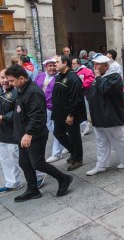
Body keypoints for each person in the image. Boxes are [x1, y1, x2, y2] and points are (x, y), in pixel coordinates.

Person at [5, 65, 73, 202]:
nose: (9, 83)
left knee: (38, 164)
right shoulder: (20, 89)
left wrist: (28, 133)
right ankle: (33, 190)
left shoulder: (33, 92)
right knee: (24, 163)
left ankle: (64, 178)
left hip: (34, 136)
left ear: (22, 78)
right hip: (23, 136)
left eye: (12, 80)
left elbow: (37, 116)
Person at [86, 55, 124, 176]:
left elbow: (104, 89)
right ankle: (101, 165)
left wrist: (97, 77)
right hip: (98, 117)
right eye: (94, 64)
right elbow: (91, 95)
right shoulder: (98, 78)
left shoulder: (115, 78)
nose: (94, 67)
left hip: (111, 116)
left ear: (106, 66)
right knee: (101, 142)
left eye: (97, 65)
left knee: (118, 139)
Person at [52, 55, 87, 171]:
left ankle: (78, 158)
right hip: (59, 113)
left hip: (69, 114)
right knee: (58, 133)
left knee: (74, 136)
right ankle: (73, 151)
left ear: (65, 63)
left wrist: (71, 114)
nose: (55, 64)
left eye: (57, 62)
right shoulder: (59, 76)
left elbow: (76, 98)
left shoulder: (73, 78)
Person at [34, 57, 67, 163]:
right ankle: (67, 143)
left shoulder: (60, 77)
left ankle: (57, 153)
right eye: (50, 65)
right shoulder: (40, 76)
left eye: (54, 65)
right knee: (52, 129)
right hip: (41, 107)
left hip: (54, 108)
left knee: (56, 130)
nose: (52, 68)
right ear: (46, 67)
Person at [0, 69, 23, 193]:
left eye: (6, 78)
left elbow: (16, 113)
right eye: (2, 78)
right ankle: (12, 182)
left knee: (18, 158)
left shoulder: (16, 92)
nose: (4, 81)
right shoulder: (1, 92)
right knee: (4, 159)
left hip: (13, 131)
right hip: (1, 132)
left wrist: (3, 117)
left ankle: (38, 176)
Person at [72, 57, 95, 137]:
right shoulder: (73, 72)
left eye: (74, 63)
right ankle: (84, 125)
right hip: (77, 95)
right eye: (72, 64)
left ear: (78, 64)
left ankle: (86, 125)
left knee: (85, 110)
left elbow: (91, 78)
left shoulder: (86, 70)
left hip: (85, 94)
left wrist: (82, 85)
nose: (72, 65)